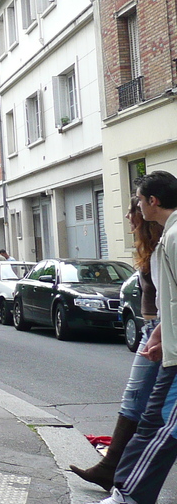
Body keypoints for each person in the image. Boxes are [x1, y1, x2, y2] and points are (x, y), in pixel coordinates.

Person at [71, 193, 164, 489]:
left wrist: (162, 330)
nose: (127, 217)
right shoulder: (150, 246)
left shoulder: (165, 243)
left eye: (132, 210)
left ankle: (114, 469)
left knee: (145, 404)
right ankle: (112, 467)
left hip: (160, 328)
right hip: (153, 327)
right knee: (140, 402)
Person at [100, 171, 177, 504]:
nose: (137, 207)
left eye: (140, 200)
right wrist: (160, 334)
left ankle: (127, 495)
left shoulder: (174, 237)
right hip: (172, 351)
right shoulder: (169, 235)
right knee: (155, 423)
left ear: (153, 201)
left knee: (157, 427)